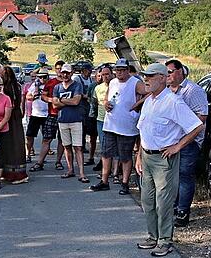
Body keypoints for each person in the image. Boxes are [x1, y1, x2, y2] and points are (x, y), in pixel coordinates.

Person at [134, 64, 203, 257]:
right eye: (145, 76)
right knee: (147, 200)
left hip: (164, 159)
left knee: (163, 202)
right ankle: (153, 236)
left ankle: (165, 240)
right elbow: (143, 130)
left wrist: (178, 146)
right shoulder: (149, 101)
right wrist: (139, 155)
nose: (146, 79)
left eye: (151, 76)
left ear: (163, 78)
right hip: (147, 156)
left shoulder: (174, 102)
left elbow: (197, 126)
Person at [91, 58, 147, 195]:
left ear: (128, 70)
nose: (120, 73)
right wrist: (105, 103)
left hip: (127, 127)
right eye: (117, 70)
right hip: (110, 124)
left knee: (125, 157)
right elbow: (106, 97)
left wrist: (138, 104)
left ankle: (125, 183)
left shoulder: (135, 83)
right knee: (105, 153)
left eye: (122, 70)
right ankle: (104, 181)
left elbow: (151, 92)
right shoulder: (113, 82)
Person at [165, 59, 208, 228]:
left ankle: (183, 211)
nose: (167, 75)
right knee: (172, 176)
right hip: (171, 140)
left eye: (170, 71)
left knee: (184, 175)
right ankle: (174, 207)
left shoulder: (193, 90)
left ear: (180, 71)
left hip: (188, 141)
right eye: (165, 72)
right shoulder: (167, 92)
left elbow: (202, 117)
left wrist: (183, 127)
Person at [54, 63, 88, 183]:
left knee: (78, 147)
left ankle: (82, 173)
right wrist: (68, 101)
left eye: (67, 73)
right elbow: (54, 104)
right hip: (62, 120)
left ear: (71, 73)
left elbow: (76, 101)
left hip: (76, 120)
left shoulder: (77, 85)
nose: (65, 75)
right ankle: (70, 169)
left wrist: (61, 100)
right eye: (63, 72)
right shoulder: (57, 87)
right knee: (66, 146)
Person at [29, 66, 62, 172]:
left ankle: (58, 161)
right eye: (58, 68)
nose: (60, 71)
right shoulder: (50, 83)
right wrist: (52, 100)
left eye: (63, 69)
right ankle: (39, 162)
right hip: (51, 114)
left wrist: (62, 102)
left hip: (64, 115)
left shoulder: (72, 84)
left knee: (62, 140)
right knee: (46, 139)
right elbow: (43, 96)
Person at [0, 65, 29, 184]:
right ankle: (10, 173)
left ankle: (17, 175)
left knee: (12, 144)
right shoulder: (16, 86)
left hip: (10, 116)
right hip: (15, 116)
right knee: (13, 144)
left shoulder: (8, 88)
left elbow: (11, 104)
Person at [92, 66, 113, 173]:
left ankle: (114, 169)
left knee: (113, 145)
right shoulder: (97, 88)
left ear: (112, 74)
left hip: (113, 121)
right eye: (103, 74)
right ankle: (104, 167)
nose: (105, 77)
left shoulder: (116, 86)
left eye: (107, 74)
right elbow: (94, 103)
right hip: (101, 120)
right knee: (103, 144)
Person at [24, 68, 46, 160]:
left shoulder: (50, 85)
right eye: (40, 77)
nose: (42, 79)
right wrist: (34, 96)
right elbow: (27, 96)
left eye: (45, 77)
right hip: (35, 113)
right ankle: (28, 154)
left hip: (47, 114)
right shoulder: (35, 85)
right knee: (30, 135)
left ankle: (41, 158)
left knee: (46, 138)